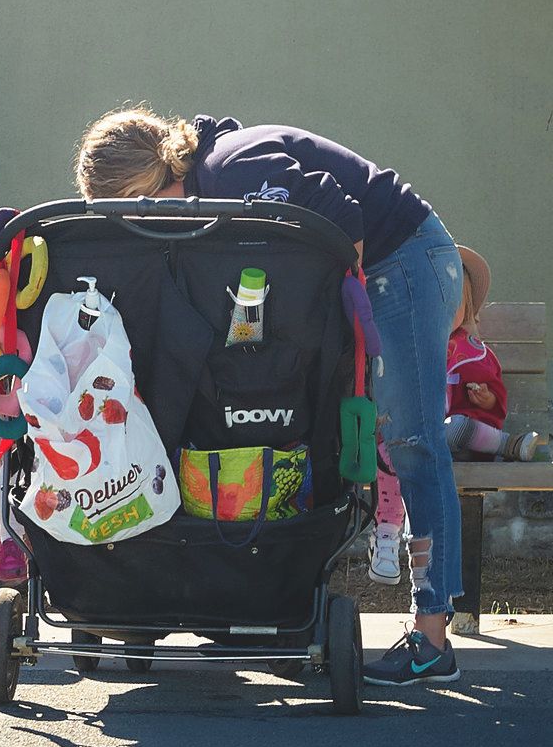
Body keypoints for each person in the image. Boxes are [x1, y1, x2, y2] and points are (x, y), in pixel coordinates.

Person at [74, 108, 466, 687]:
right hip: (389, 263)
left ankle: (432, 639)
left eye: (134, 211)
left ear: (146, 187)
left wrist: (347, 311)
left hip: (403, 259)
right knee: (402, 440)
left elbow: (344, 217)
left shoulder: (231, 168)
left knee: (414, 441)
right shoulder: (209, 179)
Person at [445, 244, 541, 462]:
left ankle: (508, 444)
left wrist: (486, 399)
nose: (445, 310)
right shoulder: (411, 347)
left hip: (469, 439)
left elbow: (495, 399)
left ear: (467, 306)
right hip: (425, 442)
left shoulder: (474, 353)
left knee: (455, 426)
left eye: (454, 301)